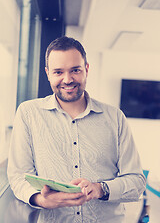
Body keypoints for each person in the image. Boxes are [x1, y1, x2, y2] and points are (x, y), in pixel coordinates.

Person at [7, 36, 146, 223]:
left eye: (75, 70)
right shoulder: (28, 113)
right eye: (58, 72)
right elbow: (18, 176)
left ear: (86, 69)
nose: (67, 79)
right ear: (47, 73)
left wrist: (100, 189)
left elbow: (136, 182)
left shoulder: (115, 118)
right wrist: (42, 200)